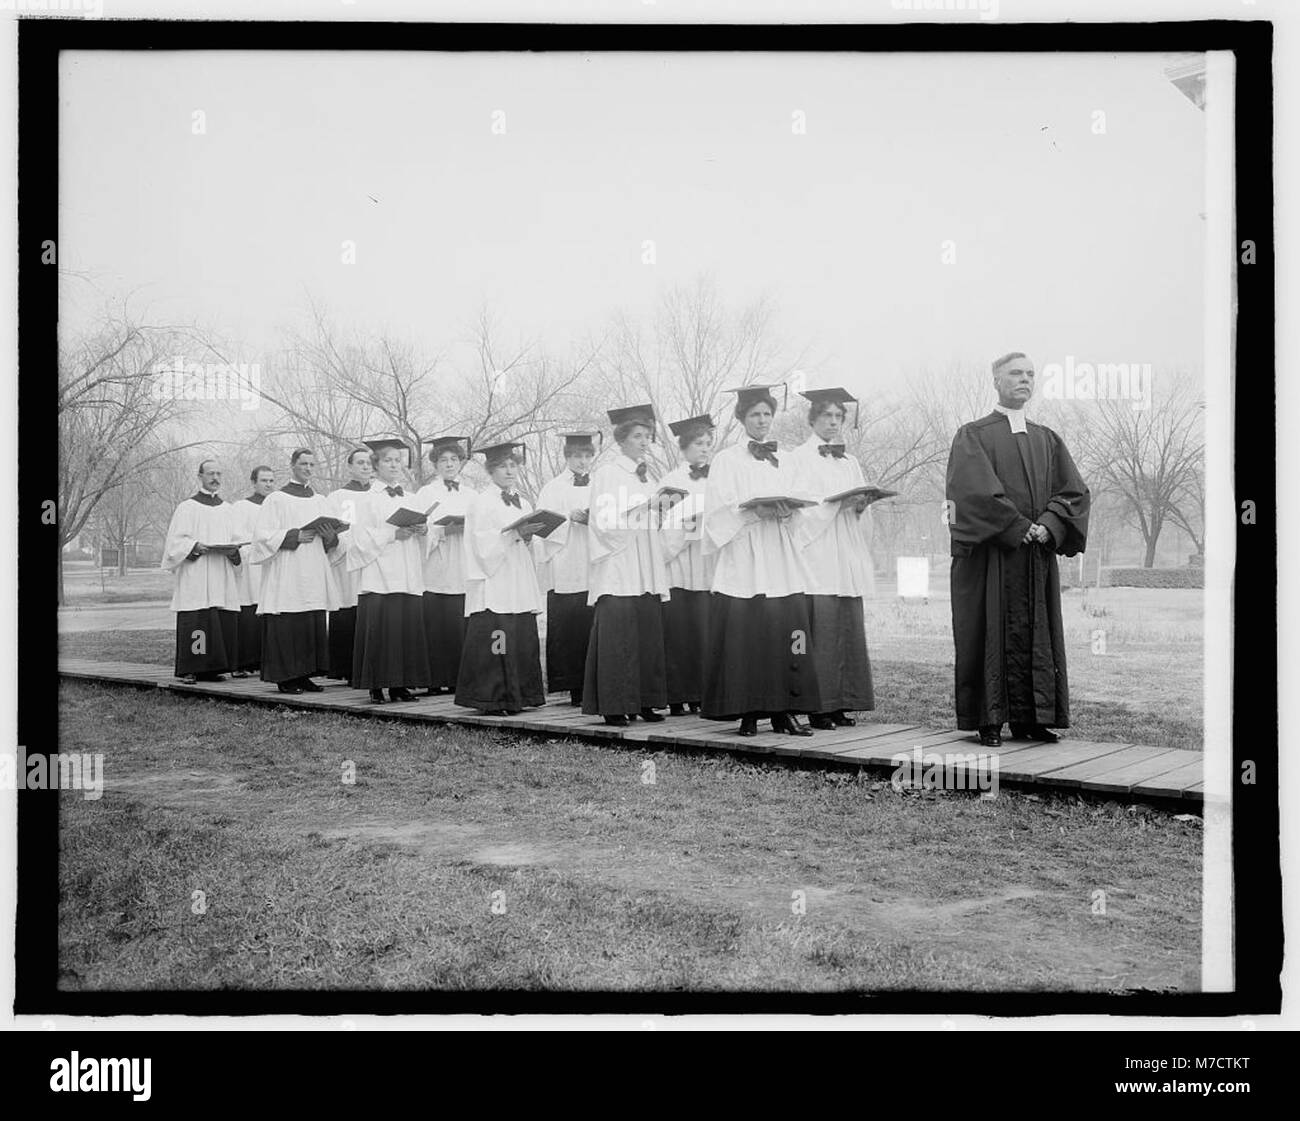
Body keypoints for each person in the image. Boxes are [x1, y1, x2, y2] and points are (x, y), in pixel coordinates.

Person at [946, 351, 1091, 747]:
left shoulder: (1047, 438)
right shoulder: (973, 435)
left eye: (1030, 374)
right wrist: (1016, 526)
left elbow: (1074, 492)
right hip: (993, 559)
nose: (1024, 380)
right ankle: (988, 720)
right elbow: (970, 493)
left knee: (1037, 633)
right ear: (996, 380)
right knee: (988, 631)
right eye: (1015, 373)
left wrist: (1049, 525)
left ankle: (1032, 718)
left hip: (1034, 559)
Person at [701, 385, 820, 737]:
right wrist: (753, 512)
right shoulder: (726, 460)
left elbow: (805, 503)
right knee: (747, 635)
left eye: (767, 414)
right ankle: (749, 711)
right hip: (745, 555)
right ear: (742, 418)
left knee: (787, 635)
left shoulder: (788, 457)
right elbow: (716, 513)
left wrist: (787, 511)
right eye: (755, 415)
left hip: (780, 554)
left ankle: (785, 711)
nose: (762, 421)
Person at [789, 388, 876, 729]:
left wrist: (858, 505)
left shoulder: (849, 461)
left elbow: (856, 511)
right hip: (817, 553)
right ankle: (818, 705)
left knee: (845, 626)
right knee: (821, 629)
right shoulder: (798, 458)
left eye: (838, 417)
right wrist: (832, 506)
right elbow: (798, 511)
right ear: (812, 419)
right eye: (827, 416)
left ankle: (843, 701)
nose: (833, 422)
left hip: (844, 550)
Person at [582, 405, 670, 728]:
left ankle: (645, 700)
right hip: (619, 563)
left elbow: (652, 520)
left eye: (647, 436)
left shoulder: (647, 475)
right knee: (619, 635)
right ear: (622, 440)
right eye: (637, 436)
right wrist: (639, 510)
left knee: (646, 632)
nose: (644, 442)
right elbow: (603, 522)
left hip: (644, 561)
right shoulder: (608, 473)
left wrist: (660, 510)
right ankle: (616, 704)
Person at [454, 441, 546, 716]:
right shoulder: (482, 502)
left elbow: (526, 544)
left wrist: (528, 536)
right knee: (498, 639)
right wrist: (516, 534)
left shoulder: (524, 500)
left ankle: (520, 695)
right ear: (491, 470)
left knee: (519, 636)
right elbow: (482, 546)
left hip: (518, 577)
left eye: (513, 465)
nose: (509, 470)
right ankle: (493, 698)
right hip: (495, 581)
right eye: (502, 466)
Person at [249, 448, 346, 695]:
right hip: (288, 569)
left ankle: (305, 675)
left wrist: (330, 537)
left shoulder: (320, 501)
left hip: (313, 568)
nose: (308, 469)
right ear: (292, 466)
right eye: (303, 464)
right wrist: (292, 535)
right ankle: (285, 677)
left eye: (312, 464)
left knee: (310, 621)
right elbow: (261, 537)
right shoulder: (277, 499)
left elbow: (332, 543)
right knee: (288, 622)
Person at [346, 438, 432, 704]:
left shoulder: (413, 497)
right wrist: (393, 534)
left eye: (397, 460)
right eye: (388, 460)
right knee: (382, 630)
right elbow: (358, 538)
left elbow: (425, 535)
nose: (394, 465)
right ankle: (377, 685)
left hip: (407, 572)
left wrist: (423, 530)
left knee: (404, 630)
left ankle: (400, 684)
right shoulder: (367, 499)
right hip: (380, 574)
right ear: (376, 465)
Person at [160, 458, 242, 683]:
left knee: (218, 618)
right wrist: (193, 546)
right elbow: (175, 543)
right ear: (200, 477)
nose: (215, 478)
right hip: (196, 572)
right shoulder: (187, 507)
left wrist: (234, 551)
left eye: (218, 474)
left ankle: (212, 667)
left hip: (220, 571)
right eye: (210, 474)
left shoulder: (228, 509)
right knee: (198, 621)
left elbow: (237, 540)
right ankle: (192, 667)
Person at [534, 432, 599, 706]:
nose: (583, 462)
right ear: (567, 457)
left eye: (587, 456)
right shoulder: (553, 488)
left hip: (593, 560)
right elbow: (541, 526)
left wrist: (593, 520)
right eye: (577, 456)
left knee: (591, 624)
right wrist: (568, 519)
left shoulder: (600, 484)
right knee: (569, 626)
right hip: (566, 562)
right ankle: (571, 685)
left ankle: (594, 683)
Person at [658, 414, 716, 715]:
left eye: (708, 443)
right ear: (684, 447)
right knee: (678, 632)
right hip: (680, 564)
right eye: (698, 443)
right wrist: (688, 525)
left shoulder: (719, 478)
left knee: (703, 632)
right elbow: (663, 527)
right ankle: (676, 695)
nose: (704, 449)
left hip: (707, 565)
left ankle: (701, 693)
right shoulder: (671, 481)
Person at [415, 435, 472, 696]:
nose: (449, 464)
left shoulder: (472, 494)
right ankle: (435, 679)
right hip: (438, 563)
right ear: (435, 464)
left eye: (454, 459)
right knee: (437, 624)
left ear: (461, 462)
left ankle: (460, 677)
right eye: (443, 460)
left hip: (463, 562)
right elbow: (421, 527)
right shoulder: (427, 493)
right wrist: (441, 531)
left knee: (460, 624)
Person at [325, 447, 377, 685]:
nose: (366, 467)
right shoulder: (339, 497)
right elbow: (337, 529)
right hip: (347, 560)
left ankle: (369, 666)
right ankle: (346, 667)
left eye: (368, 463)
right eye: (360, 463)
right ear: (350, 467)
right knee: (348, 607)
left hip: (375, 561)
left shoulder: (380, 493)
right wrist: (340, 540)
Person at [228, 465, 276, 678]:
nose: (268, 484)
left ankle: (265, 661)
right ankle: (242, 663)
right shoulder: (241, 507)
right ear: (254, 482)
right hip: (250, 566)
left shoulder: (276, 505)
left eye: (271, 481)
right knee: (248, 616)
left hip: (270, 565)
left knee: (267, 615)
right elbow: (236, 536)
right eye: (264, 480)